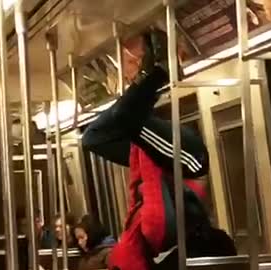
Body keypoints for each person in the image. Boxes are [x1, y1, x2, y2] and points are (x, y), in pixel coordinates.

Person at [82, 29, 236, 270]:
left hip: (169, 163)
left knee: (96, 136)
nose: (125, 78)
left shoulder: (139, 254)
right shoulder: (153, 253)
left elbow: (93, 137)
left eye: (130, 65)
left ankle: (157, 72)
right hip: (190, 162)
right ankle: (162, 69)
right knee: (123, 118)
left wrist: (142, 85)